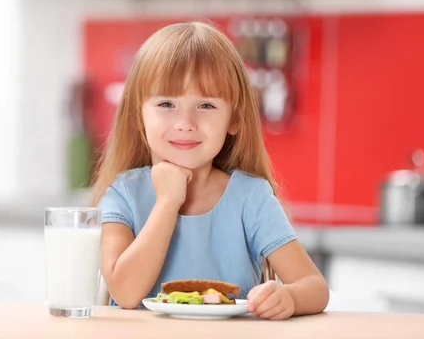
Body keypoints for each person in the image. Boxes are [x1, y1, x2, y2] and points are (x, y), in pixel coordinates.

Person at [95, 21, 329, 320]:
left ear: (234, 119)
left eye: (205, 105)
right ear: (139, 118)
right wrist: (167, 201)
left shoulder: (250, 197)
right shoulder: (123, 194)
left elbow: (314, 287)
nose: (186, 122)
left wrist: (289, 297)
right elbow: (126, 293)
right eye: (166, 103)